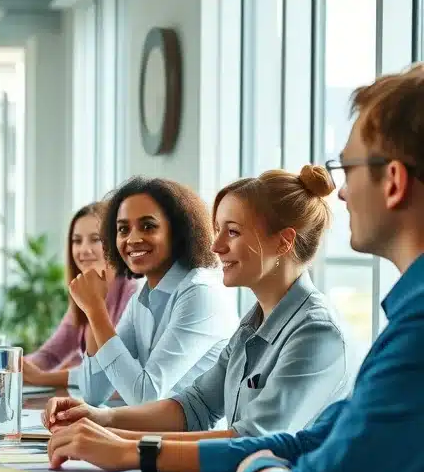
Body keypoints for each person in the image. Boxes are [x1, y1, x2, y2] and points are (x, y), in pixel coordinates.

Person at [47, 64, 424, 472]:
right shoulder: (260, 321)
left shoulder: (377, 333)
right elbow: (248, 423)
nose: (339, 191)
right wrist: (108, 426)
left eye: (348, 169)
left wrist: (246, 465)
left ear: (394, 181)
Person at [42, 166, 354, 446]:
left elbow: (255, 440)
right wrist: (101, 418)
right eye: (218, 230)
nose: (216, 246)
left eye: (232, 231)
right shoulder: (250, 326)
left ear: (283, 243)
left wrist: (128, 448)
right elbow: (195, 406)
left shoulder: (316, 332)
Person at [32, 177, 235, 405]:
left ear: (177, 231)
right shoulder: (142, 298)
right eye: (123, 229)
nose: (133, 238)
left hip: (193, 439)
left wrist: (96, 309)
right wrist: (92, 312)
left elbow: (145, 396)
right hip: (151, 434)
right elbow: (93, 393)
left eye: (148, 226)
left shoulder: (199, 293)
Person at [22, 202, 138, 387]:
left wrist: (43, 378)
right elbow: (50, 355)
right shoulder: (83, 295)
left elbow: (112, 371)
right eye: (77, 241)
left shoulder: (133, 294)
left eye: (95, 239)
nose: (84, 249)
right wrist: (19, 366)